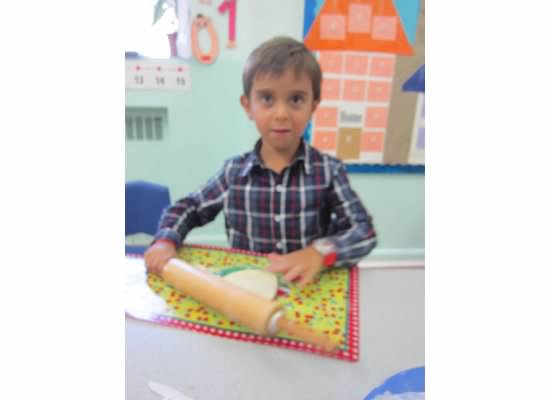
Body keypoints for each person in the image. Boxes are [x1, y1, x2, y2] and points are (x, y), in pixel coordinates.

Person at [145, 36, 377, 288]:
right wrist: (165, 241)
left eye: (296, 99)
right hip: (247, 294)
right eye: (267, 98)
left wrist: (320, 253)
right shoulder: (233, 173)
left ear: (312, 107)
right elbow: (187, 208)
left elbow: (362, 231)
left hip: (306, 292)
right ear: (248, 106)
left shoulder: (329, 171)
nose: (281, 114)